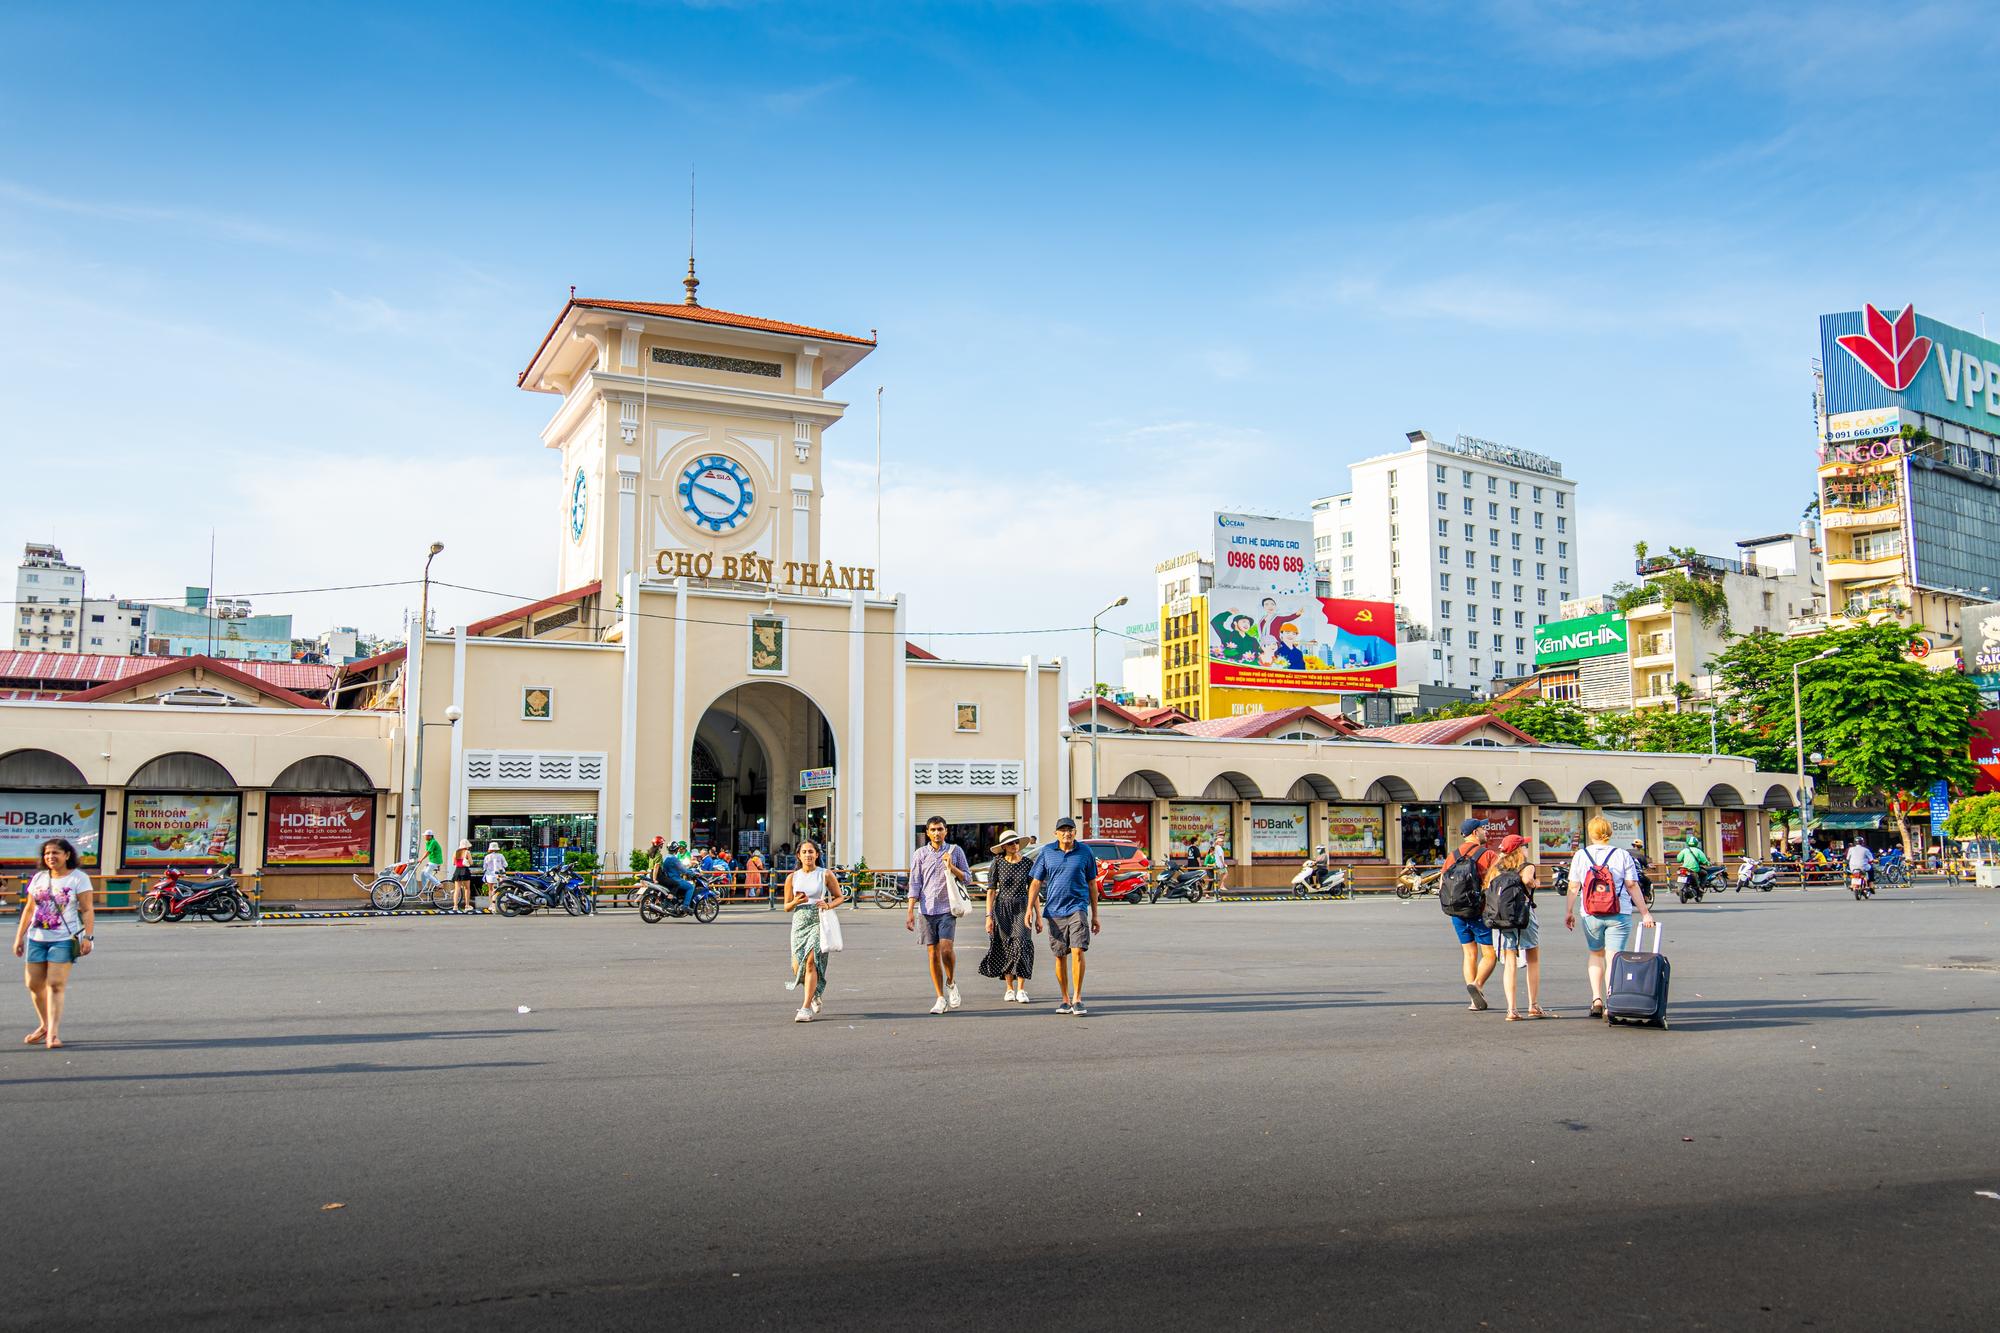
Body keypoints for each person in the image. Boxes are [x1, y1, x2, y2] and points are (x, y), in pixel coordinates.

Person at [1566, 816, 1657, 1018]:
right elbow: (1632, 885)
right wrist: (1645, 912)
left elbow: (1574, 886)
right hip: (1619, 911)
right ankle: (1611, 1001)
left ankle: (1596, 999)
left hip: (1590, 913)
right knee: (1614, 958)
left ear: (1591, 833)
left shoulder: (1581, 855)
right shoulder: (1622, 855)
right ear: (1609, 833)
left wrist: (1569, 911)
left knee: (1595, 954)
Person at [14, 837, 93, 1049]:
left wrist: (88, 937)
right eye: (47, 853)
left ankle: (53, 1033)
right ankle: (44, 1025)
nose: (51, 857)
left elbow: (87, 909)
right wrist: (19, 937)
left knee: (55, 985)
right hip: (36, 938)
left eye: (56, 852)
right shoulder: (39, 877)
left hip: (63, 940)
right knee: (33, 984)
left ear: (67, 855)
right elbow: (30, 909)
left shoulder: (79, 878)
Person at [1028, 816, 1100, 1015]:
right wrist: (1029, 911)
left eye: (1070, 830)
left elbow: (1092, 884)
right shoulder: (1047, 852)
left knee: (1078, 951)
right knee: (1060, 956)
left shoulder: (1085, 852)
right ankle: (1065, 999)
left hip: (1077, 908)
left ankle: (1077, 998)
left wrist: (1095, 915)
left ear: (1075, 832)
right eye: (1063, 830)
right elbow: (1035, 882)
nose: (1067, 833)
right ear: (1056, 833)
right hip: (1054, 911)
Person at [906, 815, 973, 1014]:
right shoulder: (920, 854)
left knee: (945, 949)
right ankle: (939, 997)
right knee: (932, 953)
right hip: (926, 909)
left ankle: (951, 983)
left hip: (947, 909)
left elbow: (968, 878)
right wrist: (910, 910)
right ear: (927, 832)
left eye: (940, 829)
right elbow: (915, 883)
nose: (937, 833)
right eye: (933, 829)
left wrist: (951, 867)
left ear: (946, 831)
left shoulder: (955, 851)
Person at [1483, 835, 1551, 1021]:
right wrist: (1534, 883)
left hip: (1501, 918)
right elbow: (1529, 880)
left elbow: (1488, 889)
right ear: (1519, 850)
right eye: (1525, 845)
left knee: (1509, 960)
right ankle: (1533, 1005)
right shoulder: (1527, 866)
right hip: (1524, 916)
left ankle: (1511, 1010)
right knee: (1533, 958)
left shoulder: (1496, 868)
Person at [784, 839, 844, 1022]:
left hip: (818, 919)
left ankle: (805, 1008)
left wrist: (828, 904)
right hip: (800, 921)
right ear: (799, 856)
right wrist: (795, 902)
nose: (808, 855)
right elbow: (786, 906)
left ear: (817, 855)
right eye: (804, 852)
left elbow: (839, 897)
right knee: (798, 967)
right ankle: (815, 992)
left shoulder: (825, 874)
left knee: (811, 962)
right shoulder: (792, 877)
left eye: (811, 851)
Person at [1442, 817, 1499, 1011]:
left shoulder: (1452, 855)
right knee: (1490, 954)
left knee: (1469, 953)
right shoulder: (1489, 855)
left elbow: (1443, 883)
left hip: (1457, 911)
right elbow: (1496, 883)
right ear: (1475, 832)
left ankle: (1474, 1000)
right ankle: (1478, 984)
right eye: (1483, 829)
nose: (1486, 832)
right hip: (1480, 910)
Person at [978, 830, 1037, 1003]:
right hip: (1002, 907)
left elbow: (1033, 891)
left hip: (1022, 907)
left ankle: (1021, 989)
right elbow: (991, 890)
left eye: (1016, 842)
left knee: (1021, 943)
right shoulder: (997, 862)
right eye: (1011, 843)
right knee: (1005, 946)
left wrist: (1038, 915)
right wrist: (988, 916)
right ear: (1003, 846)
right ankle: (1009, 988)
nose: (1014, 845)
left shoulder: (1027, 863)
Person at [480, 841, 508, 914]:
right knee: (498, 890)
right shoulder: (501, 856)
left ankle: (491, 905)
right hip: (499, 875)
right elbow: (505, 865)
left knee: (490, 890)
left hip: (490, 875)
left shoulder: (487, 857)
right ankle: (497, 905)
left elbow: (484, 867)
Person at [451, 839, 474, 912]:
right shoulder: (467, 852)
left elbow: (453, 863)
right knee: (467, 888)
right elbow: (471, 863)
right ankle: (467, 905)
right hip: (465, 871)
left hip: (457, 871)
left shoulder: (456, 852)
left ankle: (455, 906)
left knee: (457, 889)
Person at [421, 828, 445, 892]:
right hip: (432, 861)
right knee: (422, 873)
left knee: (426, 873)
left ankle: (439, 884)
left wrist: (421, 859)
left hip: (435, 860)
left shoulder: (433, 842)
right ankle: (425, 889)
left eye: (425, 835)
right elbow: (426, 851)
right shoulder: (428, 842)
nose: (425, 837)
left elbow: (428, 852)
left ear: (430, 836)